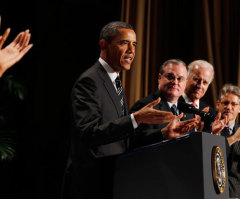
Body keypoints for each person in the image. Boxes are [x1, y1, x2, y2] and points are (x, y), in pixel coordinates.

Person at [61, 22, 197, 199]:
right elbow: (89, 134)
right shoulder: (90, 82)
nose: (131, 50)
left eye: (134, 44)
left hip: (114, 183)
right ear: (104, 45)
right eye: (124, 43)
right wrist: (135, 119)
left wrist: (163, 133)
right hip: (90, 185)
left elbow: (124, 141)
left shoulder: (115, 82)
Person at [129, 59, 200, 147]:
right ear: (159, 78)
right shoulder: (145, 105)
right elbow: (133, 140)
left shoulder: (188, 111)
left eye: (180, 78)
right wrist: (163, 134)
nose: (175, 82)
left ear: (185, 83)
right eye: (170, 77)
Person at [216, 83, 240, 198]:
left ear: (239, 108)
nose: (229, 107)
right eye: (225, 103)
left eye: (234, 104)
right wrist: (234, 138)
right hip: (214, 192)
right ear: (218, 104)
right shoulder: (208, 129)